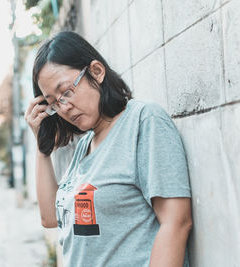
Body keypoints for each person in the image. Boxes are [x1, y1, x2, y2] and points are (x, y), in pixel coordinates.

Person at [24, 31, 193, 267]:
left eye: (66, 92)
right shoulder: (85, 145)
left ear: (96, 71)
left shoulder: (143, 121)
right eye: (53, 103)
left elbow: (177, 223)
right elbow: (51, 218)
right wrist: (43, 149)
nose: (63, 107)